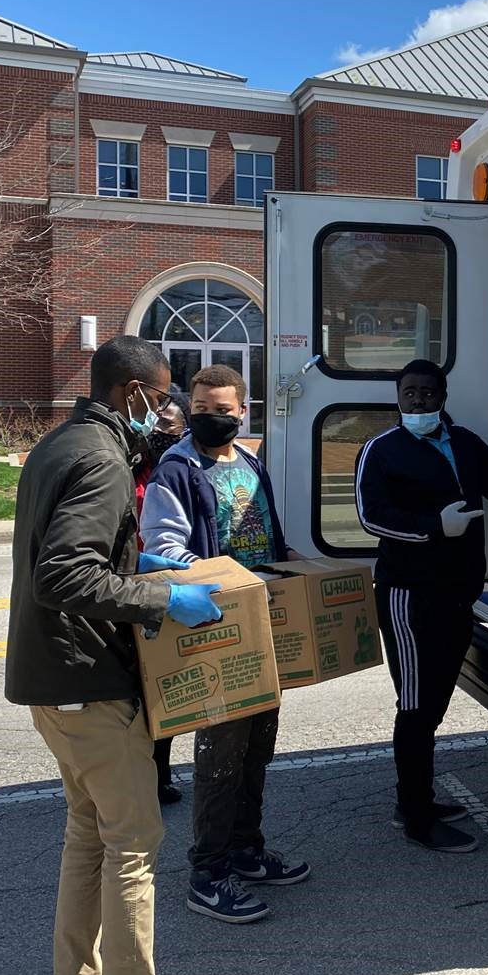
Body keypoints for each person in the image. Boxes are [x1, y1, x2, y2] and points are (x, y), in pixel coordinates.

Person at [5, 336, 224, 975]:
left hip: (52, 685)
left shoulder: (58, 443)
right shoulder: (101, 459)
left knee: (89, 835)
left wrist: (134, 561)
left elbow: (75, 554)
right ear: (132, 392)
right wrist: (163, 597)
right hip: (90, 684)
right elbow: (63, 575)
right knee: (133, 844)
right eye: (160, 400)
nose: (163, 414)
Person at [355, 358, 488, 853]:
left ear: (442, 397)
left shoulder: (465, 442)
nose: (418, 402)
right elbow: (372, 516)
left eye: (427, 394)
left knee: (434, 702)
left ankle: (417, 796)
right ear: (398, 398)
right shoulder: (380, 450)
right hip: (409, 596)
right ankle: (415, 815)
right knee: (415, 704)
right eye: (409, 394)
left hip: (458, 594)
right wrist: (435, 526)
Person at [139, 363, 309, 924]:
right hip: (219, 623)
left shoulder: (250, 461)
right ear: (191, 408)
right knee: (220, 755)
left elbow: (264, 527)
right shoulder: (177, 469)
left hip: (262, 620)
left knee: (259, 746)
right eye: (202, 409)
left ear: (243, 410)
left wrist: (287, 568)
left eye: (223, 409)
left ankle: (246, 848)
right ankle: (208, 873)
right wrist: (227, 581)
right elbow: (164, 546)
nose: (212, 418)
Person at [133, 384, 190, 806]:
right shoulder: (129, 461)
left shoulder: (178, 468)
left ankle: (158, 774)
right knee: (132, 690)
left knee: (161, 686)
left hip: (165, 584)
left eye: (168, 423)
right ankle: (131, 773)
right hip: (125, 585)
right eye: (155, 419)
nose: (158, 427)